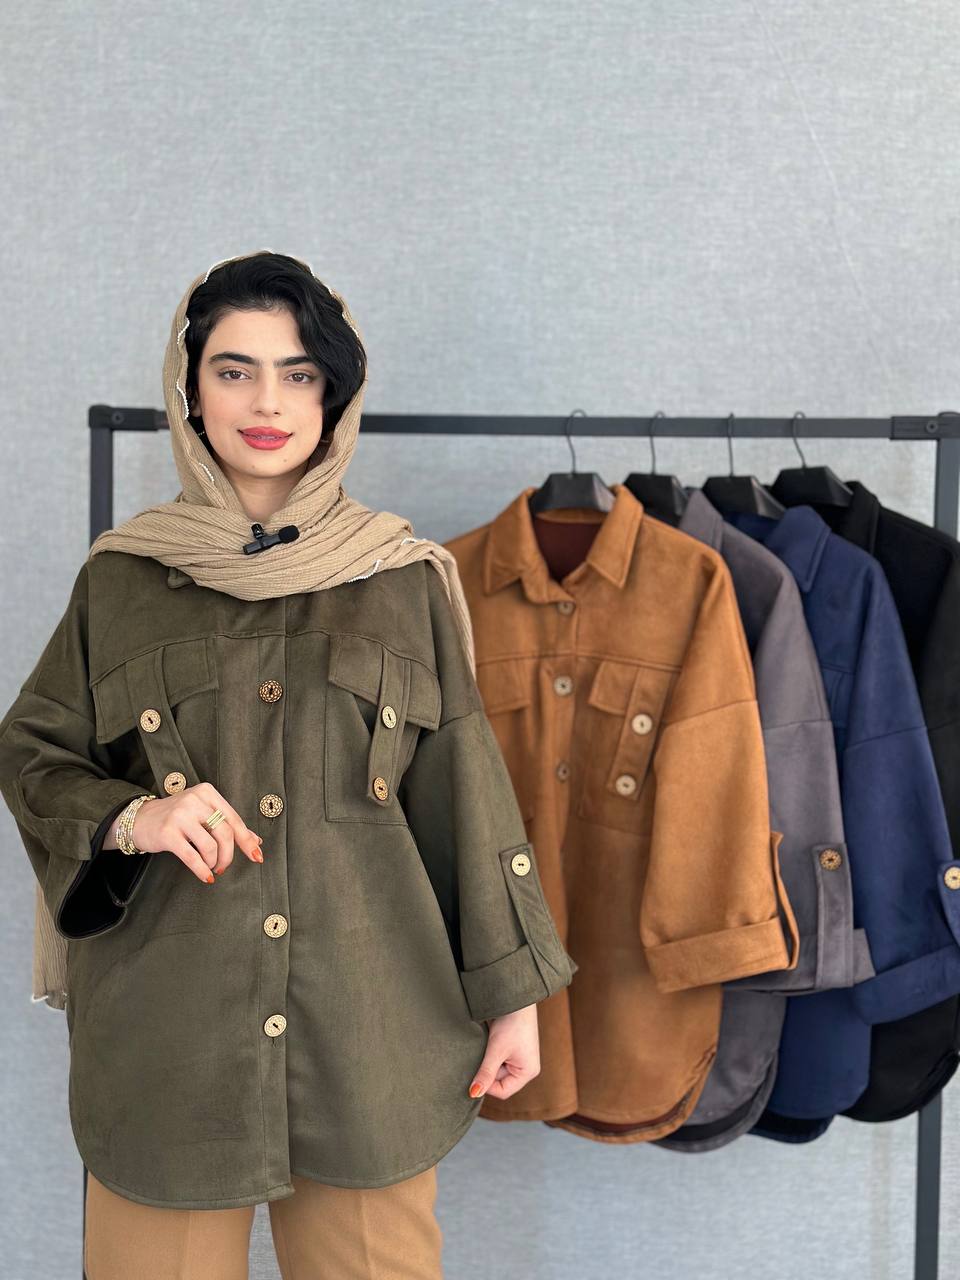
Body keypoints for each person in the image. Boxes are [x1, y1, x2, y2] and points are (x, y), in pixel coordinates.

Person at [0, 249, 577, 1279]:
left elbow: (464, 795)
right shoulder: (121, 581)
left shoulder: (403, 580)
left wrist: (514, 997)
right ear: (190, 389)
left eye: (298, 372)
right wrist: (137, 817)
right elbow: (34, 751)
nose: (267, 401)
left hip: (372, 1037)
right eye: (234, 370)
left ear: (333, 395)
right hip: (170, 1047)